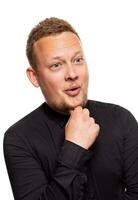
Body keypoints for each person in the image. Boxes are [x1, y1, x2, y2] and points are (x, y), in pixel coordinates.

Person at [3, 17, 138, 200]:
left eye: (77, 60)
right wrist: (74, 148)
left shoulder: (121, 120)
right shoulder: (18, 139)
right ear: (34, 77)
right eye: (56, 65)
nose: (72, 74)